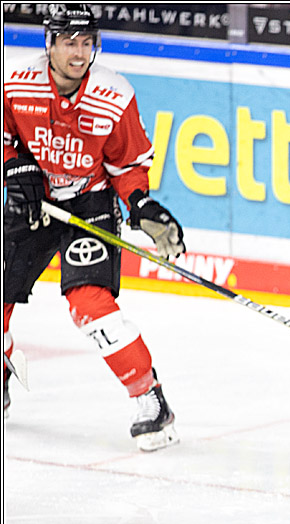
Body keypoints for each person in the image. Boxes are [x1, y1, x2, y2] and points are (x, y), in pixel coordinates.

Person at [3, 4, 185, 450]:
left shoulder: (114, 94)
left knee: (89, 302)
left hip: (89, 204)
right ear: (49, 43)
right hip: (37, 202)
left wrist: (140, 204)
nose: (79, 53)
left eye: (87, 43)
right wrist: (15, 166)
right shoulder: (14, 83)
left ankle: (151, 403)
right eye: (69, 42)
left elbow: (127, 165)